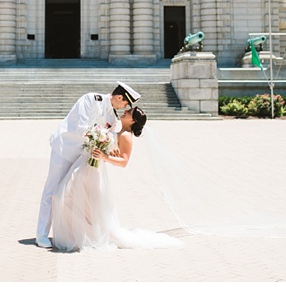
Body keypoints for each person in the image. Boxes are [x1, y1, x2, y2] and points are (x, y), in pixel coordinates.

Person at [50, 106, 182, 251]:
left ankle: (86, 235)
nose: (124, 112)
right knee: (79, 202)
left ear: (132, 120)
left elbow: (124, 161)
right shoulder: (120, 131)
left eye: (128, 113)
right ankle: (83, 234)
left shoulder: (126, 135)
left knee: (64, 197)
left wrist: (105, 157)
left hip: (93, 169)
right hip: (88, 166)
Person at [35, 81, 140, 249]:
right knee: (52, 190)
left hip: (82, 156)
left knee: (71, 195)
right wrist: (99, 139)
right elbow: (81, 128)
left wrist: (110, 148)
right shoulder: (91, 100)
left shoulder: (113, 117)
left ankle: (70, 232)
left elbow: (110, 136)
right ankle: (41, 234)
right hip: (65, 148)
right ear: (119, 97)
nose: (123, 107)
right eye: (125, 103)